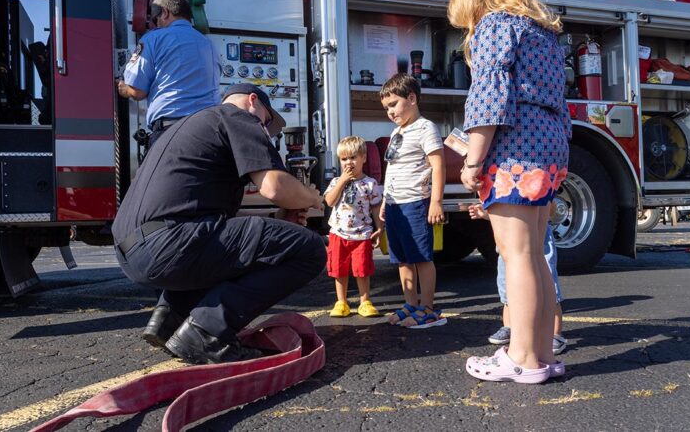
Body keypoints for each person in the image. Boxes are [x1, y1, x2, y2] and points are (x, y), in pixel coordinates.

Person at [111, 83, 326, 364]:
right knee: (310, 250)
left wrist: (279, 221)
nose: (265, 132)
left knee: (245, 245)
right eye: (268, 122)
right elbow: (274, 187)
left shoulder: (186, 127)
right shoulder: (238, 117)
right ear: (253, 101)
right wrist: (310, 197)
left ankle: (170, 319)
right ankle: (207, 332)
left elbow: (213, 226)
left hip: (133, 251)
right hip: (169, 245)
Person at [449, 0, 571, 383]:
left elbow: (488, 97)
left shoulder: (495, 24)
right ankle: (540, 353)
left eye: (467, 15)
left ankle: (521, 357)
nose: (469, 25)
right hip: (549, 145)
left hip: (515, 149)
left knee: (514, 254)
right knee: (534, 254)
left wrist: (472, 162)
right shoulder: (541, 32)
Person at [378, 73, 447, 329]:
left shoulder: (425, 128)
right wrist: (386, 200)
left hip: (416, 203)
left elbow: (438, 167)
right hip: (395, 204)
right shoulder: (397, 132)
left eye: (393, 104)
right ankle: (411, 303)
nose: (390, 112)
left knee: (420, 257)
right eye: (386, 108)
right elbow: (393, 169)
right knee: (402, 258)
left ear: (412, 98)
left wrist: (436, 202)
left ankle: (427, 308)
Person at [117, 0, 220, 147]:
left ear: (164, 12)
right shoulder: (209, 44)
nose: (155, 24)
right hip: (211, 135)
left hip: (172, 134)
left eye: (155, 19)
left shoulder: (154, 38)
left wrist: (123, 88)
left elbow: (137, 91)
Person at [468, 203, 567, 355]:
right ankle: (510, 327)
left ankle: (555, 334)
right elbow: (502, 215)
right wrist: (486, 215)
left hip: (536, 240)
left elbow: (550, 207)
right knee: (507, 287)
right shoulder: (503, 185)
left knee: (547, 284)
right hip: (508, 241)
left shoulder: (532, 184)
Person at [324, 136, 384, 318]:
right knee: (339, 269)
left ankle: (364, 301)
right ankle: (341, 302)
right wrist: (342, 181)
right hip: (338, 234)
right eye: (344, 159)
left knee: (362, 269)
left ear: (363, 158)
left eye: (353, 158)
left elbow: (375, 207)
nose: (348, 163)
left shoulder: (370, 184)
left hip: (362, 234)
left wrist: (380, 229)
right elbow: (329, 201)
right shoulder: (336, 182)